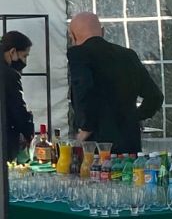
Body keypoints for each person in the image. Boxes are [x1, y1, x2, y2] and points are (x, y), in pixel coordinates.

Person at [66, 11, 162, 152]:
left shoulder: (78, 55)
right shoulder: (128, 55)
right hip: (129, 142)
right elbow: (155, 96)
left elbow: (83, 89)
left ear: (72, 36)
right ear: (103, 31)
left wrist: (86, 127)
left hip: (97, 144)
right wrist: (135, 117)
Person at [0, 30, 34, 161]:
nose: (25, 61)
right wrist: (29, 133)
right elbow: (17, 108)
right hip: (6, 138)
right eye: (24, 56)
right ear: (12, 52)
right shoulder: (10, 75)